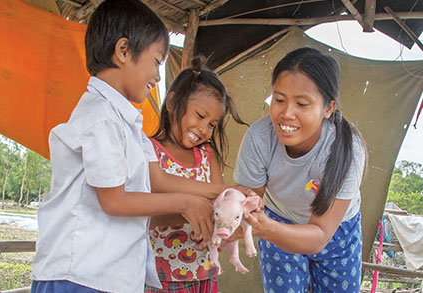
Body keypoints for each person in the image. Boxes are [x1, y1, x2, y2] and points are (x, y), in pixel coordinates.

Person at [31, 1, 228, 292]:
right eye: (157, 61)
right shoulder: (100, 116)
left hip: (109, 276)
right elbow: (115, 201)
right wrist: (186, 203)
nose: (158, 76)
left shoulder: (130, 124)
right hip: (78, 275)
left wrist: (224, 194)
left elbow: (158, 181)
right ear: (124, 51)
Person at [234, 47, 367, 292]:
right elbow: (248, 204)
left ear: (328, 108)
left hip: (336, 232)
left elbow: (319, 236)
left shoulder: (348, 149)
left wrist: (266, 228)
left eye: (302, 104)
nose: (286, 114)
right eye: (279, 100)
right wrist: (223, 231)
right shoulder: (259, 138)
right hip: (277, 219)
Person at [145, 57, 247, 293]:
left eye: (212, 124)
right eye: (200, 116)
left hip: (203, 271)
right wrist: (192, 214)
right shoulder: (149, 152)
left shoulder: (207, 155)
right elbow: (146, 214)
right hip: (161, 276)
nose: (204, 129)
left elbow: (219, 205)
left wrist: (213, 230)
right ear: (172, 103)